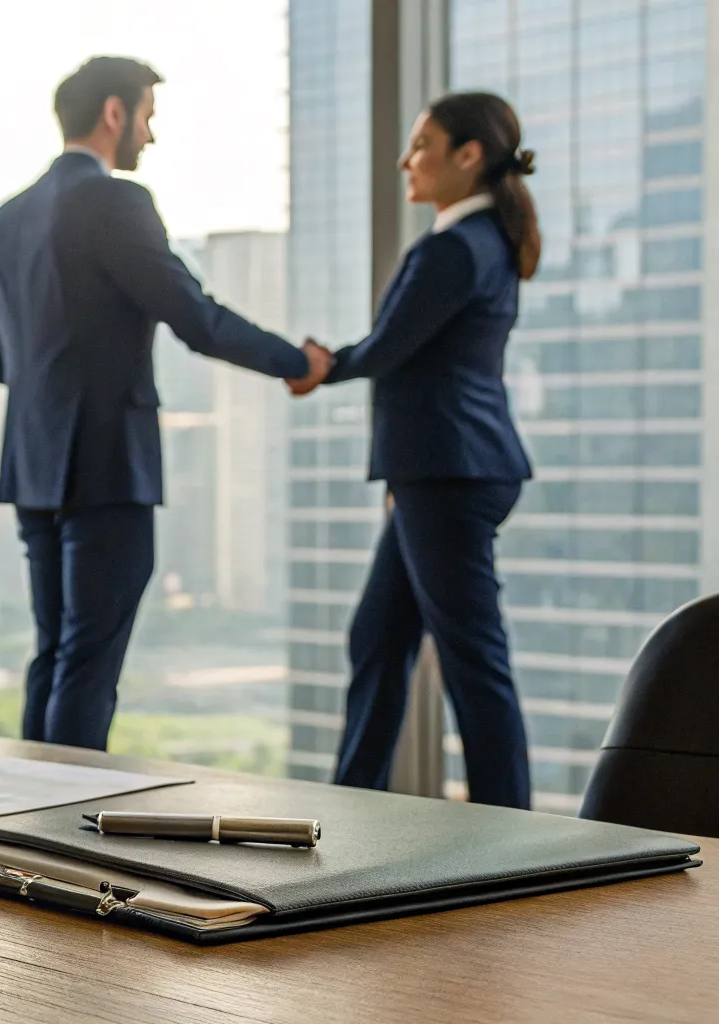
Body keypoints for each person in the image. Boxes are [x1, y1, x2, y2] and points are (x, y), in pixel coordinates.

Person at [0, 56, 332, 749]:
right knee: (87, 661)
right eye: (148, 116)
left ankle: (23, 818)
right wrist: (297, 362)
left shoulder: (5, 221)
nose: (151, 136)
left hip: (32, 465)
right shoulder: (114, 202)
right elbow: (195, 318)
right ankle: (59, 831)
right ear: (115, 113)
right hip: (106, 464)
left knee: (53, 653)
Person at [292, 92, 538, 808]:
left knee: (472, 661)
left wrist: (317, 363)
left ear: (468, 155)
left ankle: (509, 831)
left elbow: (390, 346)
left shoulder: (454, 246)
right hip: (443, 470)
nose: (408, 159)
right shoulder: (485, 238)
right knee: (377, 638)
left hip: (448, 473)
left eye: (422, 144)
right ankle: (352, 805)